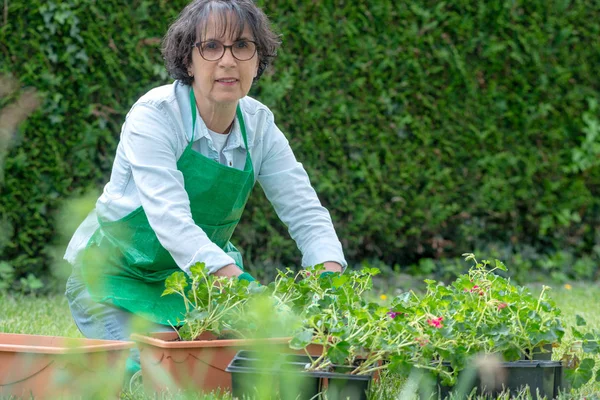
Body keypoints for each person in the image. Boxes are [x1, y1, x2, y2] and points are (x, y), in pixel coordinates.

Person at [63, 0, 346, 376]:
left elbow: (305, 212)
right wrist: (249, 294)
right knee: (156, 376)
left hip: (201, 291)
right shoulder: (155, 116)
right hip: (115, 284)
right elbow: (171, 220)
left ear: (257, 60)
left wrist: (328, 282)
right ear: (187, 61)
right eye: (211, 47)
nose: (228, 61)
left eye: (242, 46)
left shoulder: (259, 125)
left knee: (255, 368)